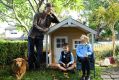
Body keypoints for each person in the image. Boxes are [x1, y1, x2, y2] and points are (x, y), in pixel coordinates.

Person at [28, 3, 59, 70]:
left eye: (51, 9)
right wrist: (43, 29)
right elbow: (34, 25)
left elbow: (57, 22)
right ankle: (30, 67)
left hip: (40, 37)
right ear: (45, 8)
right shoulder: (37, 14)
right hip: (32, 36)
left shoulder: (50, 17)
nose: (49, 10)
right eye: (48, 9)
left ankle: (37, 66)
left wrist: (52, 14)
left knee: (40, 53)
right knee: (31, 52)